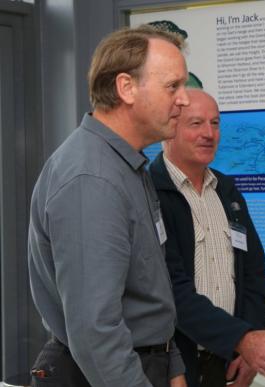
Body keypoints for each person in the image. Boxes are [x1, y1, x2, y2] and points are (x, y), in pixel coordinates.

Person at [28, 26, 190, 387]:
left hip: (144, 363)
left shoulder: (126, 165)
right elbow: (94, 332)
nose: (185, 99)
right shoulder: (93, 179)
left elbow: (150, 290)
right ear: (126, 88)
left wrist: (173, 364)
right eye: (173, 86)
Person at [149, 89, 265, 387]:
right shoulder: (150, 192)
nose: (209, 134)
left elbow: (253, 273)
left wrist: (249, 341)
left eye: (215, 123)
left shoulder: (227, 191)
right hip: (174, 366)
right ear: (169, 130)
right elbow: (168, 289)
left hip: (227, 365)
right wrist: (241, 339)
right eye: (196, 124)